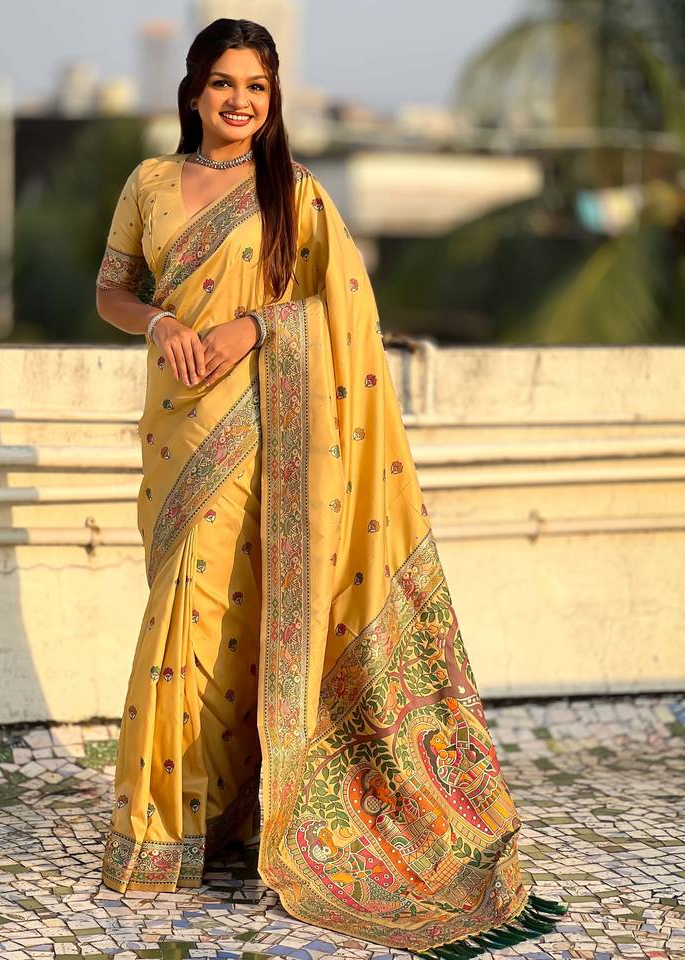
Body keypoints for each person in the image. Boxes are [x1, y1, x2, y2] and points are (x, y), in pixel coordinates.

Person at [94, 17, 568, 958]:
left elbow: (344, 308)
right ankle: (202, 817)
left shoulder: (297, 194)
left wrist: (255, 329)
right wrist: (157, 324)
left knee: (209, 616)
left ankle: (177, 826)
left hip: (265, 428)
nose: (239, 100)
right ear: (193, 91)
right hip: (176, 428)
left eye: (256, 87)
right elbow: (111, 291)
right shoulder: (149, 182)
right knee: (186, 609)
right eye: (223, 83)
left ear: (272, 101)